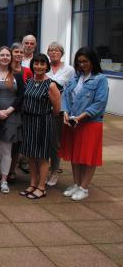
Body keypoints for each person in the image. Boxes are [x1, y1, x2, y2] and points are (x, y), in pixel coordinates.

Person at [59, 47, 108, 201]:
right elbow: (65, 96)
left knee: (88, 156)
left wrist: (81, 117)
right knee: (75, 155)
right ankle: (76, 183)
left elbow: (99, 103)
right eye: (79, 62)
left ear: (93, 61)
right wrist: (65, 112)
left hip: (90, 123)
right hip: (73, 122)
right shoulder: (75, 78)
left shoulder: (100, 79)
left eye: (85, 61)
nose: (82, 65)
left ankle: (84, 187)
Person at [18, 53, 61, 200]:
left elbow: (56, 108)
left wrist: (44, 116)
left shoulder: (51, 84)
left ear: (47, 66)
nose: (39, 66)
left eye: (42, 64)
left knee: (42, 156)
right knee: (30, 154)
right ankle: (32, 183)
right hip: (28, 122)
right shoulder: (29, 81)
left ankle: (41, 187)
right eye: (36, 63)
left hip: (43, 122)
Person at [0, 47, 24, 195]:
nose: (4, 57)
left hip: (11, 116)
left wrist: (9, 111)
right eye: (2, 55)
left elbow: (21, 96)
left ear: (11, 57)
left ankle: (4, 180)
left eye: (7, 55)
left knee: (7, 150)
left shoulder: (17, 75)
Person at [46, 41, 75, 187]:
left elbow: (71, 92)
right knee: (45, 140)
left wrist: (68, 110)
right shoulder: (45, 67)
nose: (53, 53)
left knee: (56, 142)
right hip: (43, 109)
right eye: (51, 50)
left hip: (59, 110)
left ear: (61, 53)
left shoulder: (69, 70)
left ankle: (54, 171)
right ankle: (45, 168)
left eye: (56, 50)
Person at [9, 42, 33, 180]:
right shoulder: (5, 69)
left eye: (21, 52)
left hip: (21, 111)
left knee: (16, 143)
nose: (18, 54)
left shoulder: (27, 71)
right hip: (6, 109)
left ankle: (12, 170)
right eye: (16, 52)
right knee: (4, 143)